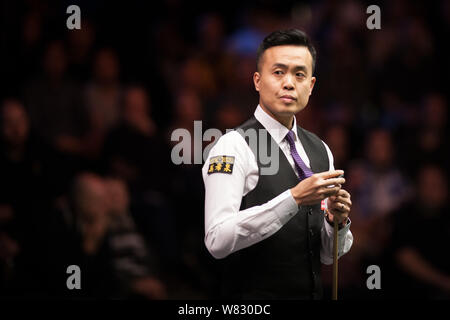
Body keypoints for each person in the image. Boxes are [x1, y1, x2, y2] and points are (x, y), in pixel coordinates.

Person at [202, 29, 353, 299]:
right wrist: (293, 198)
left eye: (299, 74)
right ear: (258, 81)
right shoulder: (233, 146)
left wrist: (335, 222)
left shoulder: (321, 150)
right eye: (278, 72)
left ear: (311, 85)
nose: (289, 83)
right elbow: (217, 240)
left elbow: (328, 257)